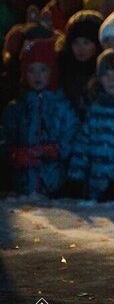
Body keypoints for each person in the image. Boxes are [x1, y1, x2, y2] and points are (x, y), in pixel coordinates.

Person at [2, 37, 79, 196]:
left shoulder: (62, 106)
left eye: (43, 69)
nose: (37, 76)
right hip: (21, 189)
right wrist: (13, 154)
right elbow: (5, 137)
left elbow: (73, 134)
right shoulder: (16, 108)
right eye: (31, 70)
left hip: (55, 187)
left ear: (52, 71)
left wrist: (56, 150)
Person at [66, 49, 114, 201]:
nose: (111, 79)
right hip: (94, 184)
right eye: (105, 74)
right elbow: (82, 144)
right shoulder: (94, 109)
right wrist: (75, 177)